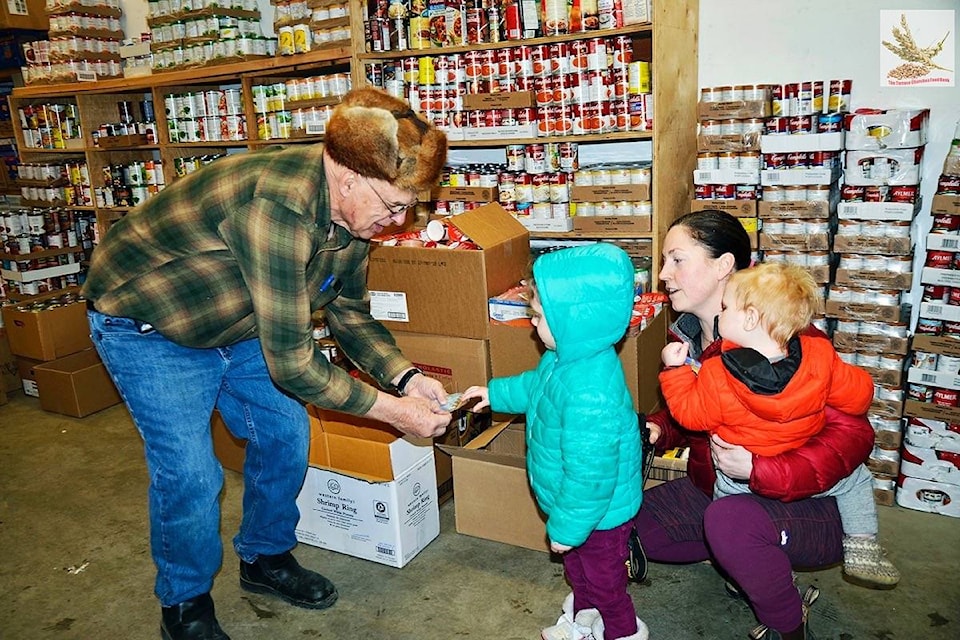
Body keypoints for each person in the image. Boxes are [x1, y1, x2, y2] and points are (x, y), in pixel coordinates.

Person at [81, 87, 453, 640]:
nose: (399, 221)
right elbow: (294, 365)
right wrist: (391, 411)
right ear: (348, 177)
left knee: (285, 432)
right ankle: (183, 604)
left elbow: (348, 311)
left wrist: (406, 376)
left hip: (240, 317)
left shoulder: (352, 218)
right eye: (394, 206)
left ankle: (263, 557)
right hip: (150, 323)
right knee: (189, 474)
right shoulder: (277, 207)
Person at [636, 210, 877, 640]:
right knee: (633, 527)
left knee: (731, 523)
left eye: (676, 259)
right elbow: (702, 412)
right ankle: (748, 562)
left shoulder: (793, 341)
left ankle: (788, 621)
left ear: (724, 266)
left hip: (812, 502)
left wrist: (761, 470)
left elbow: (855, 437)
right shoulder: (689, 335)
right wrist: (657, 428)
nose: (662, 273)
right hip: (722, 487)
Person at [659, 261, 900, 590]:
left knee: (723, 517)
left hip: (738, 478)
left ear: (751, 318)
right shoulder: (819, 354)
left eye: (727, 307)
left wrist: (675, 372)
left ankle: (739, 569)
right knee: (856, 480)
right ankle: (862, 545)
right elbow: (857, 398)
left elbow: (690, 415)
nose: (721, 312)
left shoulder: (718, 373)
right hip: (797, 463)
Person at [461, 243, 649, 640]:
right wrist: (496, 393)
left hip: (598, 515)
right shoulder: (565, 358)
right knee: (579, 571)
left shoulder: (590, 393)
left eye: (540, 317)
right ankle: (583, 618)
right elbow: (537, 388)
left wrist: (565, 526)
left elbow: (589, 477)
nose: (532, 324)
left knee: (605, 583)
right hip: (578, 511)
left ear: (575, 321)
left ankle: (621, 630)